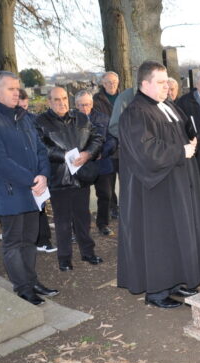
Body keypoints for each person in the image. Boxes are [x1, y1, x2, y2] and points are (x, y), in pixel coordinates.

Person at [117, 61, 200, 309]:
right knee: (159, 237)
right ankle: (157, 291)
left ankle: (176, 280)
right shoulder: (137, 112)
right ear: (145, 83)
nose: (167, 86)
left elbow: (182, 132)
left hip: (178, 184)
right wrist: (180, 150)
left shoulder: (167, 106)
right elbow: (146, 150)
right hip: (156, 191)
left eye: (167, 81)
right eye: (160, 82)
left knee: (178, 233)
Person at [0, 71, 57, 304]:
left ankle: (32, 280)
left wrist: (43, 174)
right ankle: (22, 287)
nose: (17, 92)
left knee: (30, 239)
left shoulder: (24, 117)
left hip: (33, 190)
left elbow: (40, 149)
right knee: (14, 242)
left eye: (17, 88)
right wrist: (31, 179)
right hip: (11, 191)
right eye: (11, 88)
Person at [35, 87, 104, 272]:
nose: (61, 102)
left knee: (83, 217)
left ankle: (88, 252)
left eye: (64, 98)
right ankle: (64, 258)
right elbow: (40, 146)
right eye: (56, 99)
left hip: (81, 176)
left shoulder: (81, 118)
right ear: (49, 101)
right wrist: (63, 155)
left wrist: (88, 154)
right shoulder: (41, 122)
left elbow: (97, 137)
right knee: (62, 221)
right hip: (59, 177)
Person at [17, 89, 56, 253]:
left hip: (36, 168)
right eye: (21, 106)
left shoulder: (33, 120)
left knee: (40, 207)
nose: (24, 110)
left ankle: (43, 239)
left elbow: (41, 146)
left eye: (26, 106)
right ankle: (27, 241)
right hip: (19, 170)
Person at [75, 90, 118, 236]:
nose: (84, 108)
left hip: (102, 163)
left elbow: (113, 140)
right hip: (81, 165)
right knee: (81, 199)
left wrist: (102, 152)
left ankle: (103, 223)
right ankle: (81, 227)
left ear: (92, 104)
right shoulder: (71, 120)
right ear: (76, 105)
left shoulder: (103, 118)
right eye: (81, 105)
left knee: (105, 195)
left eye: (87, 104)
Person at [176, 69, 200, 228]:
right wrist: (193, 138)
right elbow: (179, 128)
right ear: (196, 84)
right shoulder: (185, 102)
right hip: (199, 157)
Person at [93, 71, 120, 219]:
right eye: (108, 82)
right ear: (103, 84)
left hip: (124, 146)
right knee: (109, 183)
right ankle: (113, 208)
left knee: (127, 180)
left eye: (114, 82)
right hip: (108, 146)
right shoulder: (97, 100)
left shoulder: (123, 98)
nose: (112, 85)